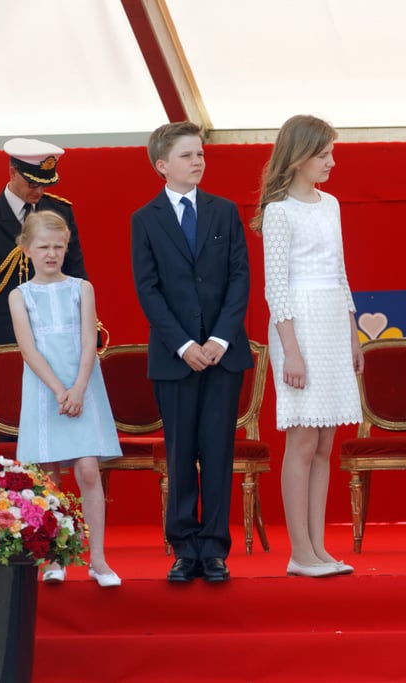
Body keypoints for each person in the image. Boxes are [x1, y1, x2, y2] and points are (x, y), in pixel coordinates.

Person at [131, 121, 252, 583]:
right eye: (187, 155)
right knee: (181, 452)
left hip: (223, 353)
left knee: (218, 449)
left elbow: (239, 277)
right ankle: (184, 546)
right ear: (162, 165)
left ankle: (214, 549)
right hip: (174, 357)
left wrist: (220, 339)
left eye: (200, 154)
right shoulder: (145, 219)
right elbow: (148, 289)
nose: (198, 161)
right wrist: (184, 345)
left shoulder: (224, 212)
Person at [251, 115, 362, 578]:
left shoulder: (331, 203)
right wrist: (290, 351)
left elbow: (341, 271)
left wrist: (353, 333)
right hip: (298, 326)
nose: (331, 163)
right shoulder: (278, 211)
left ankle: (318, 548)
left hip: (333, 323)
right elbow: (275, 289)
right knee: (302, 438)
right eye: (323, 155)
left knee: (326, 440)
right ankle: (299, 551)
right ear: (298, 157)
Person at [8, 211, 122, 587]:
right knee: (48, 477)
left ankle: (99, 560)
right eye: (43, 247)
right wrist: (59, 390)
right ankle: (53, 557)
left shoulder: (81, 288)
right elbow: (29, 349)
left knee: (88, 470)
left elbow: (90, 341)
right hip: (45, 391)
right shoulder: (19, 295)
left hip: (83, 386)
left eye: (59, 246)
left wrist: (77, 388)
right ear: (26, 249)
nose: (52, 253)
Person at [0, 138, 90, 347]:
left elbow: (75, 272)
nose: (39, 191)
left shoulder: (59, 211)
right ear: (13, 173)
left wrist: (88, 329)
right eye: (32, 183)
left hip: (56, 330)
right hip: (5, 334)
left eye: (45, 184)